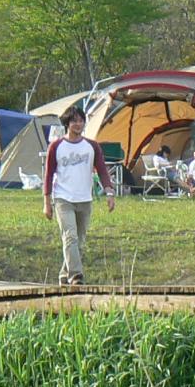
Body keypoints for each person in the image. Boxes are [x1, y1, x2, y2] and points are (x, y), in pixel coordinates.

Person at [42, 108, 114, 286]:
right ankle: (76, 275)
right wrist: (47, 203)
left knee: (79, 241)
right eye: (74, 121)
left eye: (81, 121)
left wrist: (109, 192)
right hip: (63, 198)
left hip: (84, 198)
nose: (78, 124)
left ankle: (64, 274)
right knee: (70, 236)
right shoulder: (56, 146)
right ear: (67, 123)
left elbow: (102, 169)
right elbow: (48, 175)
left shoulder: (92, 146)